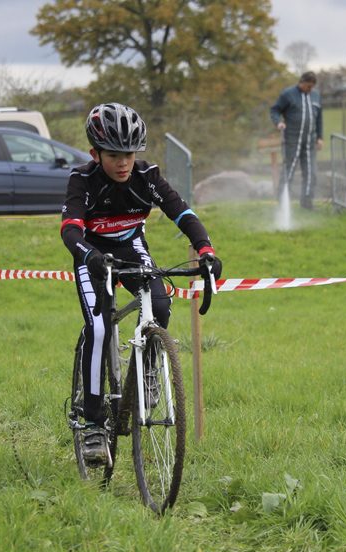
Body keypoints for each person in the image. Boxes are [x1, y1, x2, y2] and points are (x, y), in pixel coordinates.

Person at [60, 102, 222, 463]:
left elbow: (182, 211)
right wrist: (90, 257)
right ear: (95, 153)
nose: (123, 163)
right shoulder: (82, 181)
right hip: (92, 256)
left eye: (129, 154)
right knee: (99, 329)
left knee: (161, 303)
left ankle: (147, 371)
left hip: (131, 248)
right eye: (114, 155)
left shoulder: (147, 177)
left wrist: (205, 249)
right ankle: (92, 425)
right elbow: (70, 232)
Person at [270, 71, 324, 209]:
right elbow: (275, 110)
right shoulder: (287, 94)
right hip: (292, 141)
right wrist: (278, 122)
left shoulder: (316, 96)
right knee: (289, 170)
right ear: (301, 82)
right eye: (307, 86)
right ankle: (283, 202)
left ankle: (307, 203)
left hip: (309, 142)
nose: (309, 89)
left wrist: (320, 137)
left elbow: (319, 118)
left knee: (311, 173)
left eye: (312, 87)